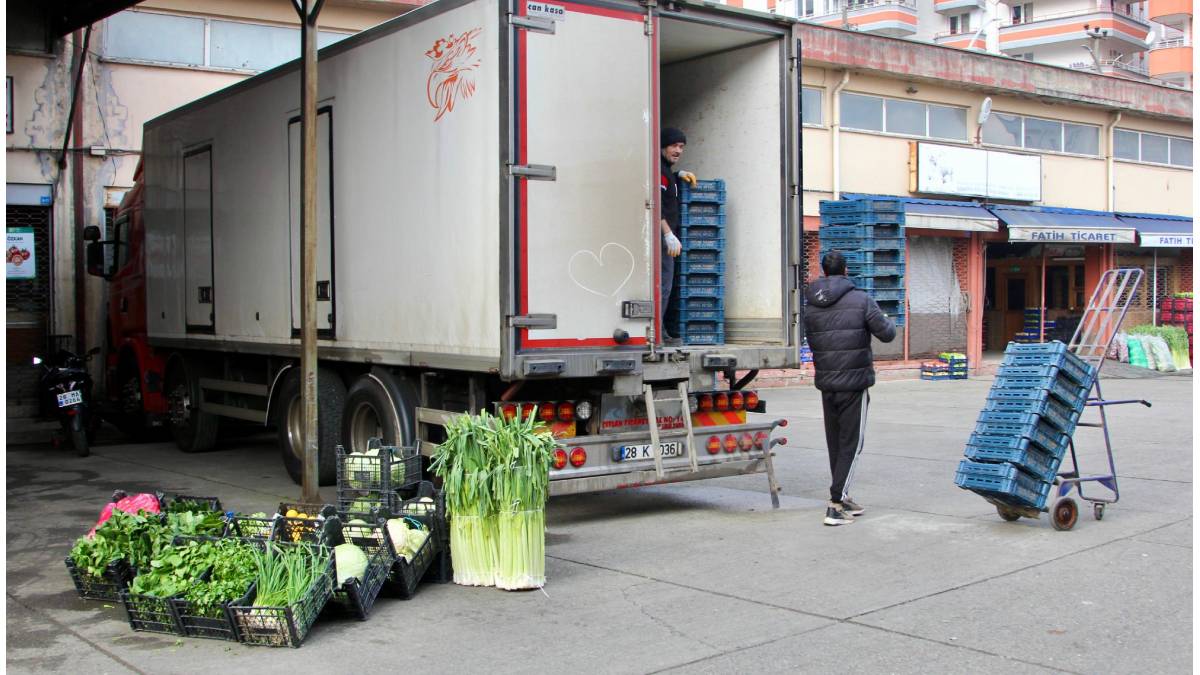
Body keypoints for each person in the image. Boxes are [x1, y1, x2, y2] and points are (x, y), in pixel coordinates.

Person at [803, 250, 896, 526]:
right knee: (852, 444)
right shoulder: (861, 300)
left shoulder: (811, 304)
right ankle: (835, 504)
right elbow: (887, 333)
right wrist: (885, 317)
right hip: (854, 384)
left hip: (827, 382)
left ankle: (843, 497)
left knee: (836, 442)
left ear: (824, 271)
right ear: (845, 271)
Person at [660, 127, 696, 346]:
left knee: (666, 285)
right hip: (662, 238)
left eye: (681, 147)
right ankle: (660, 333)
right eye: (674, 145)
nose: (678, 150)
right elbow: (655, 203)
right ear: (663, 146)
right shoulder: (659, 171)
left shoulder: (665, 171)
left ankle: (661, 330)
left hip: (666, 238)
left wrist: (677, 176)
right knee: (663, 286)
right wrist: (667, 234)